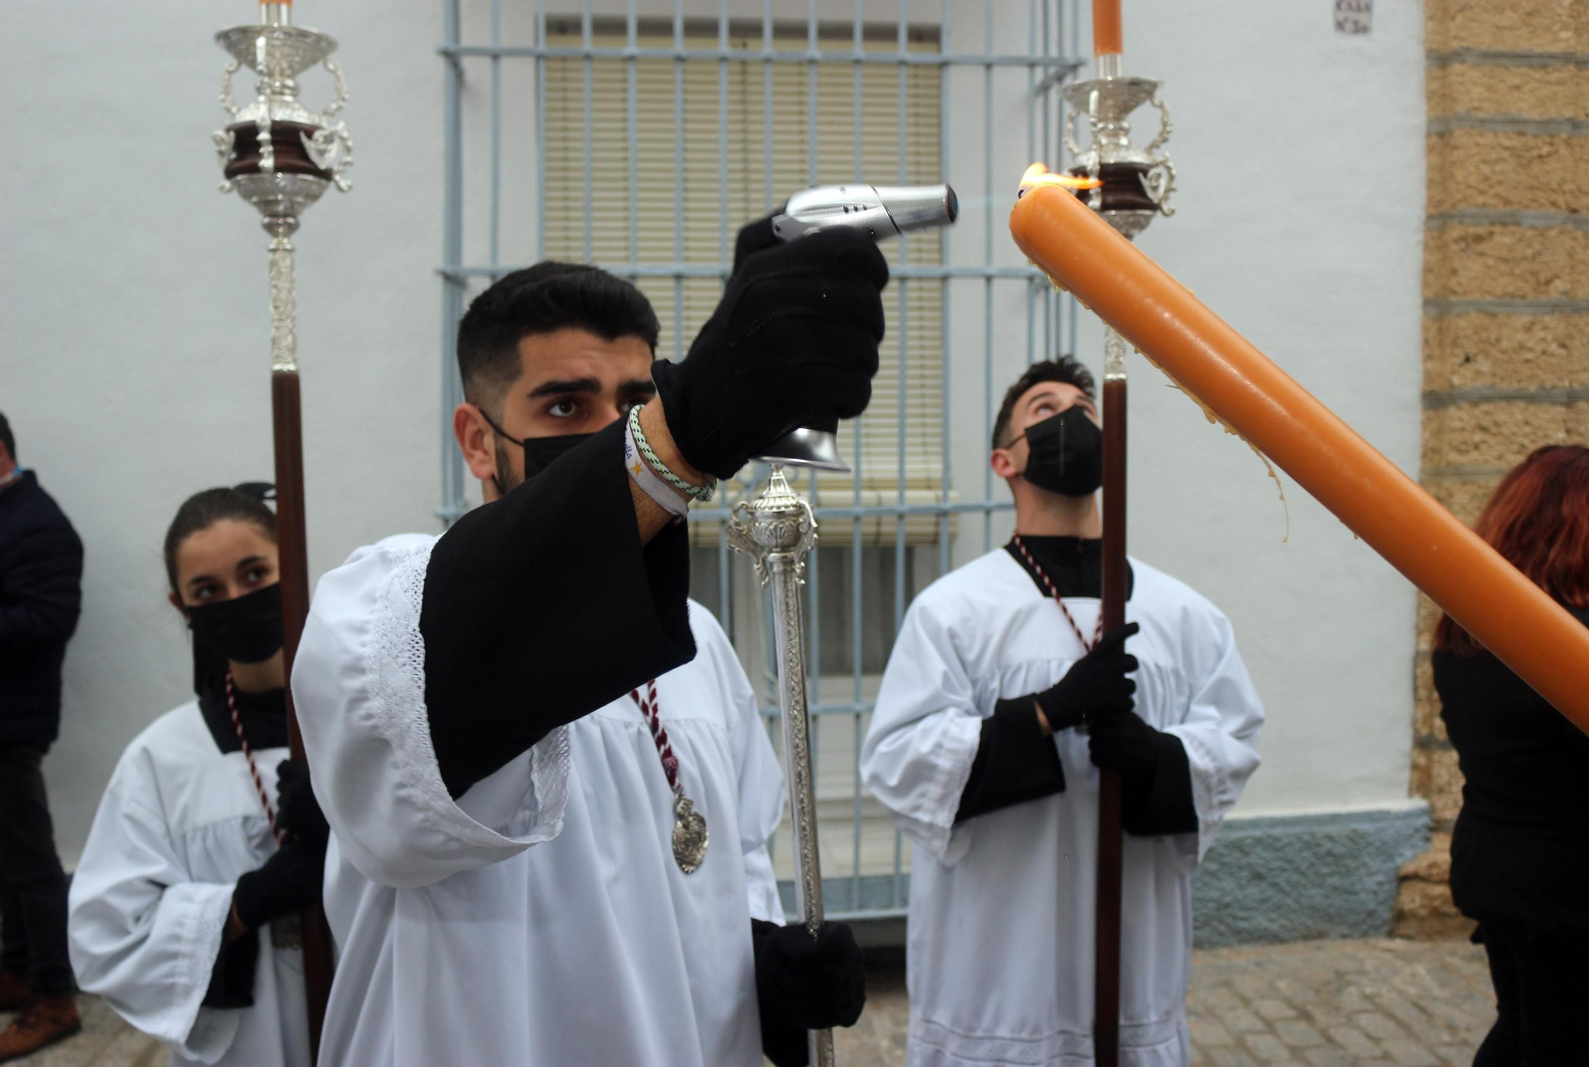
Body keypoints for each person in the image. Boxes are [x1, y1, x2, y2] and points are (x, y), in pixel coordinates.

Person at [292, 219, 886, 1066]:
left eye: (636, 403)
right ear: (475, 438)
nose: (614, 428)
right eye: (565, 404)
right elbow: (451, 673)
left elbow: (730, 858)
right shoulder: (381, 605)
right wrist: (678, 438)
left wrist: (763, 966)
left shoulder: (703, 639)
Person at [860, 357, 1264, 1066]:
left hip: (1132, 965)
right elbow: (899, 761)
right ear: (1003, 459)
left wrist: (1157, 759)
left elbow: (1232, 743)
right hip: (995, 972)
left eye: (1086, 407)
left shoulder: (1184, 614)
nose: (1073, 419)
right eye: (1044, 410)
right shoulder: (955, 611)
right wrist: (1045, 712)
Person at [66, 485, 325, 1067]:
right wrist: (243, 903)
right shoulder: (161, 760)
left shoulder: (368, 723)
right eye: (208, 590)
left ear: (293, 565)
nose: (235, 600)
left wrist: (358, 835)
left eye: (255, 573)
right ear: (182, 608)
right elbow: (108, 939)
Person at [1432, 444, 1589, 1066]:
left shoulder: (1464, 634)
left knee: (1523, 1027)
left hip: (1498, 868)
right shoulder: (1573, 642)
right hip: (1568, 892)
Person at [0, 411, 84, 1062]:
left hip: (13, 721)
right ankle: (18, 969)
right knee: (9, 859)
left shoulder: (40, 522)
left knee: (30, 864)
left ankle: (55, 999)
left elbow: (49, 619)